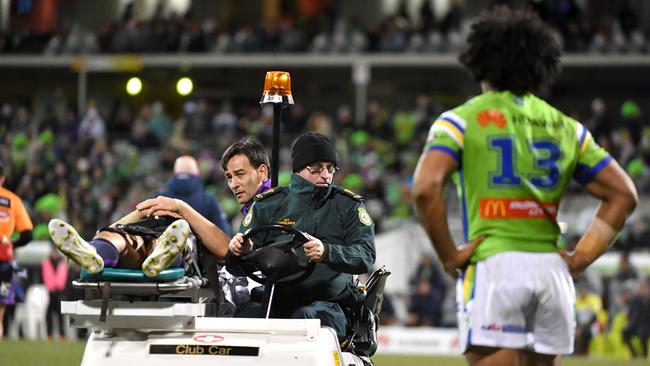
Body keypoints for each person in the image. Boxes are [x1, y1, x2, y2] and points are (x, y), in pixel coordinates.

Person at [411, 6, 638, 366]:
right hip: (551, 272)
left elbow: (425, 188)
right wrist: (581, 257)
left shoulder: (461, 120)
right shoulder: (567, 127)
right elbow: (623, 195)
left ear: (479, 60)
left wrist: (449, 256)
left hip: (494, 266)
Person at [227, 132, 376, 339]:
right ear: (298, 170)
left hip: (329, 303)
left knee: (305, 320)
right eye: (316, 169)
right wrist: (243, 251)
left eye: (330, 168)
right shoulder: (268, 204)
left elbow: (366, 256)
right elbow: (236, 264)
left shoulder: (347, 206)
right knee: (243, 320)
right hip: (276, 298)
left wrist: (327, 251)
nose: (326, 175)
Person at [156, 155, 232, 236]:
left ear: (174, 173)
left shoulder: (159, 199)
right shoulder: (209, 201)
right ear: (197, 173)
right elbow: (225, 233)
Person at [0, 164, 34, 339]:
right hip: (4, 257)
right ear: (3, 179)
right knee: (3, 295)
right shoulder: (13, 200)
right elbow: (28, 234)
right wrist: (11, 245)